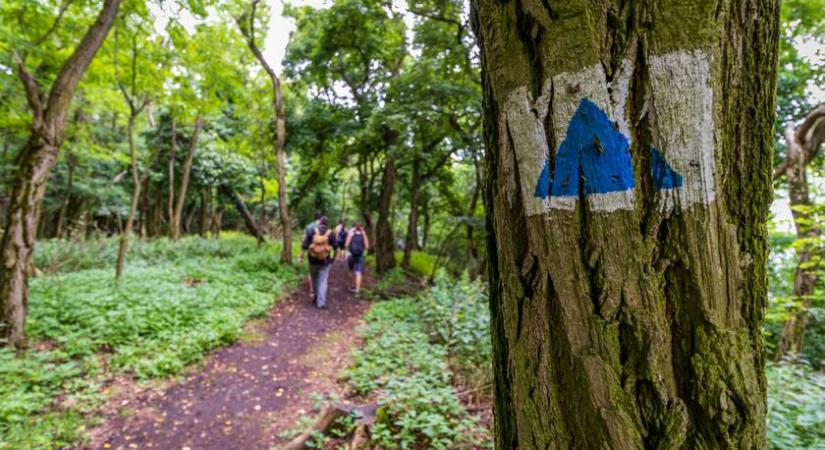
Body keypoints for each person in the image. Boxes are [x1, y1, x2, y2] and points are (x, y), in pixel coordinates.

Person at [300, 216, 337, 309]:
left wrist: (301, 257)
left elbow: (304, 246)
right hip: (325, 261)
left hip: (312, 260)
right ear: (327, 224)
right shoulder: (330, 233)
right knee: (323, 281)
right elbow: (336, 247)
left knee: (314, 279)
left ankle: (316, 296)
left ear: (319, 222)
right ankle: (321, 303)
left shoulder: (312, 231)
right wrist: (333, 258)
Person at [345, 222, 369, 295]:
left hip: (351, 255)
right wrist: (364, 235)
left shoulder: (351, 233)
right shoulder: (363, 234)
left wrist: (350, 234)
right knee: (358, 273)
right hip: (360, 255)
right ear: (362, 227)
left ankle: (351, 286)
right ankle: (357, 290)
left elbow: (346, 244)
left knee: (351, 270)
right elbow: (367, 246)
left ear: (355, 227)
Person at [303, 211, 322, 297]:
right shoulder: (324, 227)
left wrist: (302, 254)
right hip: (323, 253)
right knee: (321, 271)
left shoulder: (309, 227)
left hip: (311, 252)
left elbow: (304, 240)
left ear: (314, 217)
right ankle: (320, 290)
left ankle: (312, 290)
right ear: (321, 217)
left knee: (311, 271)